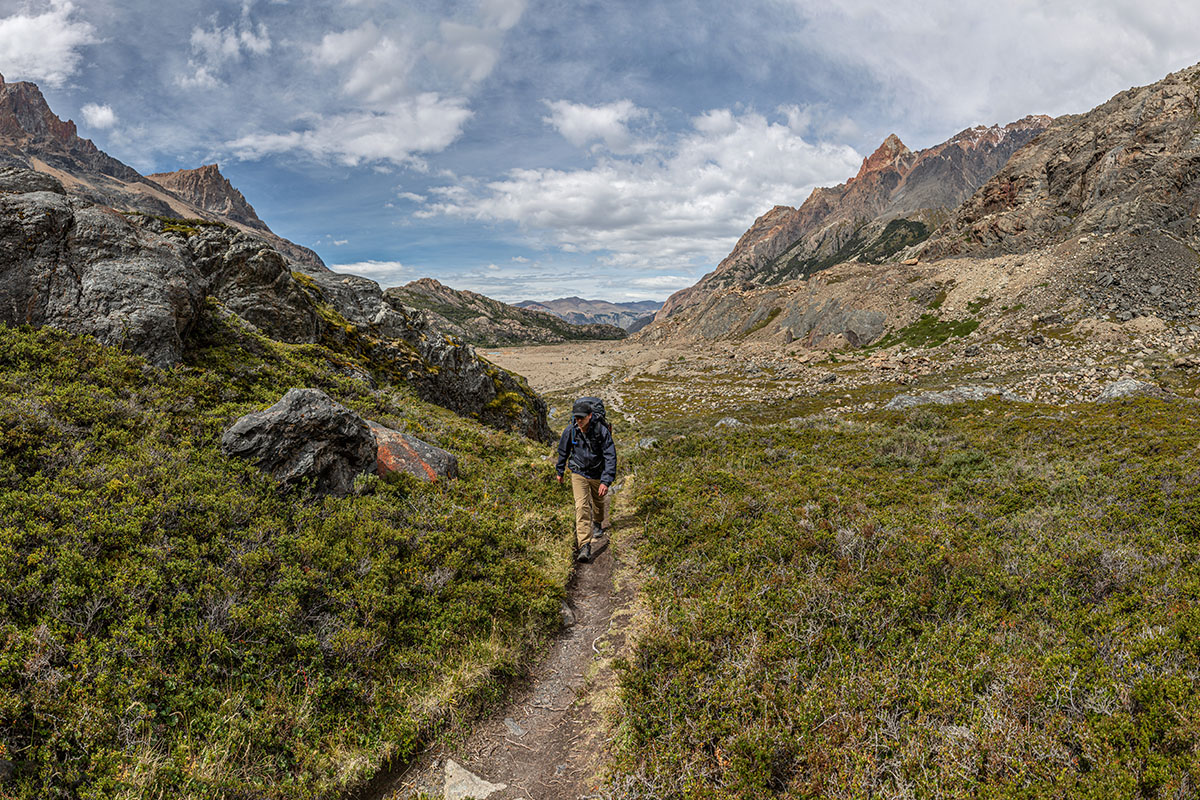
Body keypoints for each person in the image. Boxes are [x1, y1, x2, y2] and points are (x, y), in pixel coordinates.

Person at [555, 398, 617, 563]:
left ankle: (597, 522)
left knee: (598, 502)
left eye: (582, 417)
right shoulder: (571, 430)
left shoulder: (601, 431)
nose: (579, 421)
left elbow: (610, 456)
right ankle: (584, 546)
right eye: (576, 417)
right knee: (581, 506)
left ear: (590, 416)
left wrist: (605, 481)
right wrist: (560, 471)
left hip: (597, 473)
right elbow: (563, 451)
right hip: (578, 472)